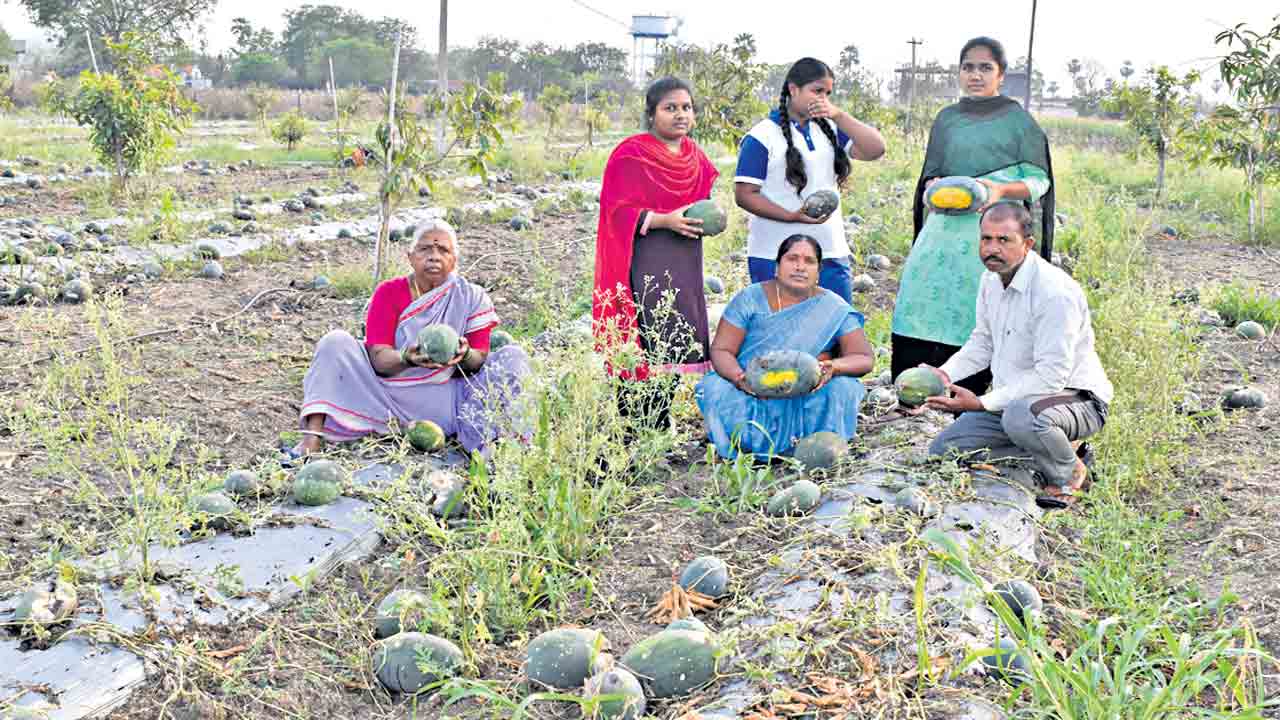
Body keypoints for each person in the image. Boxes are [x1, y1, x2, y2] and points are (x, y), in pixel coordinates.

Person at [891, 36, 1056, 397]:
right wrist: (933, 185)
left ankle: (968, 393)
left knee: (977, 308)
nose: (975, 75)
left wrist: (999, 191)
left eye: (985, 68)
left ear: (1001, 74)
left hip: (990, 232)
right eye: (968, 67)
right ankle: (915, 388)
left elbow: (1038, 180)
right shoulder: (947, 120)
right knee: (922, 299)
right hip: (941, 231)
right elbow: (931, 174)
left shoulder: (1018, 121)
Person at [921, 203, 1111, 508]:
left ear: (1028, 244)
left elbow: (1051, 377)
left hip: (1075, 399)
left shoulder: (1054, 293)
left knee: (1022, 417)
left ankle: (1068, 472)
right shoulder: (990, 280)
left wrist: (982, 403)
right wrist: (943, 374)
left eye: (1004, 240)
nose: (992, 249)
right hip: (1014, 401)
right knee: (945, 449)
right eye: (986, 239)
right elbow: (983, 342)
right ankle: (1057, 450)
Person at [293, 220, 530, 458]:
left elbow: (479, 359)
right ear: (410, 257)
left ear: (454, 260)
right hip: (384, 397)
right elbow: (379, 358)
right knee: (334, 342)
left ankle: (496, 444)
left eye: (443, 250)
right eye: (425, 249)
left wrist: (465, 354)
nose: (434, 256)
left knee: (513, 357)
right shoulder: (389, 292)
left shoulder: (470, 296)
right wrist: (406, 358)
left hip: (448, 401)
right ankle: (312, 438)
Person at [593, 76, 720, 430]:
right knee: (642, 334)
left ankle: (659, 422)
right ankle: (632, 424)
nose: (680, 114)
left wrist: (711, 217)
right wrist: (664, 220)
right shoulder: (630, 154)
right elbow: (615, 210)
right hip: (643, 258)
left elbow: (703, 204)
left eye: (686, 107)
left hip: (683, 261)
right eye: (670, 108)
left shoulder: (695, 157)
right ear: (652, 114)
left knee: (674, 333)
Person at [696, 234, 874, 459]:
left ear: (818, 271)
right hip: (752, 392)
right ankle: (747, 445)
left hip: (808, 393)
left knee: (844, 388)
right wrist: (739, 379)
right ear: (777, 266)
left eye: (809, 261)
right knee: (712, 387)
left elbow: (863, 358)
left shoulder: (833, 307)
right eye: (792, 259)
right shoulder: (750, 298)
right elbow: (721, 350)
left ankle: (815, 447)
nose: (800, 267)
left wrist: (833, 367)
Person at [734, 57, 885, 303]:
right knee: (779, 323)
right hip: (774, 254)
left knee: (837, 323)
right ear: (793, 89)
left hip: (829, 251)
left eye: (827, 93)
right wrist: (791, 216)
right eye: (817, 91)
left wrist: (839, 115)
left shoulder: (831, 129)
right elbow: (745, 194)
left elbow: (875, 149)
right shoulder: (762, 136)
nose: (823, 99)